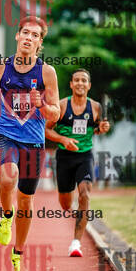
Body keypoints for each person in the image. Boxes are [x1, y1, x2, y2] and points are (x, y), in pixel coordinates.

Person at [0, 16, 60, 271]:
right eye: (25, 32)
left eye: (35, 35)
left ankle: (19, 254)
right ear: (17, 36)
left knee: (26, 200)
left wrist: (41, 105)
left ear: (40, 42)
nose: (28, 38)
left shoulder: (47, 73)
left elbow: (56, 113)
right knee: (7, 177)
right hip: (5, 133)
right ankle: (6, 214)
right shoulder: (0, 68)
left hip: (34, 141)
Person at [45, 68, 110, 257]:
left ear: (89, 85)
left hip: (85, 156)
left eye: (84, 80)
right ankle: (72, 204)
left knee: (84, 195)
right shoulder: (61, 106)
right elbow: (46, 130)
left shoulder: (95, 107)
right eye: (77, 80)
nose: (80, 83)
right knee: (65, 204)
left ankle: (76, 243)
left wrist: (102, 128)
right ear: (71, 84)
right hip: (64, 157)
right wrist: (63, 140)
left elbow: (96, 129)